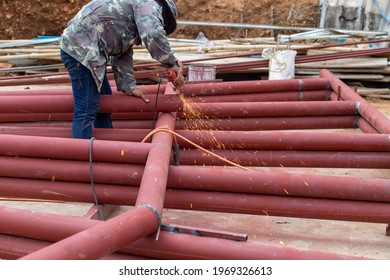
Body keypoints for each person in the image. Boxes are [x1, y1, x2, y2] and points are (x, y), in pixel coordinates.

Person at [59, 0, 185, 139]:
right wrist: (172, 63)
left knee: (104, 103)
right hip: (80, 50)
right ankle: (81, 154)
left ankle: (105, 147)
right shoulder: (148, 5)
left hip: (85, 49)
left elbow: (122, 52)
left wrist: (128, 86)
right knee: (87, 108)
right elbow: (153, 34)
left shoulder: (132, 13)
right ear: (164, 16)